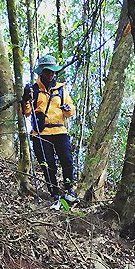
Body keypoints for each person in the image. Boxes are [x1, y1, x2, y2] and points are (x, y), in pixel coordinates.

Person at [21, 55, 79, 211]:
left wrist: (68, 109)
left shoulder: (61, 89)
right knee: (48, 166)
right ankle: (54, 194)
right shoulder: (34, 89)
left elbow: (70, 110)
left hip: (60, 130)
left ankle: (69, 190)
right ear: (42, 72)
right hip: (41, 133)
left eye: (52, 71)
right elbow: (26, 112)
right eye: (47, 71)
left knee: (67, 160)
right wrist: (25, 98)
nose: (50, 74)